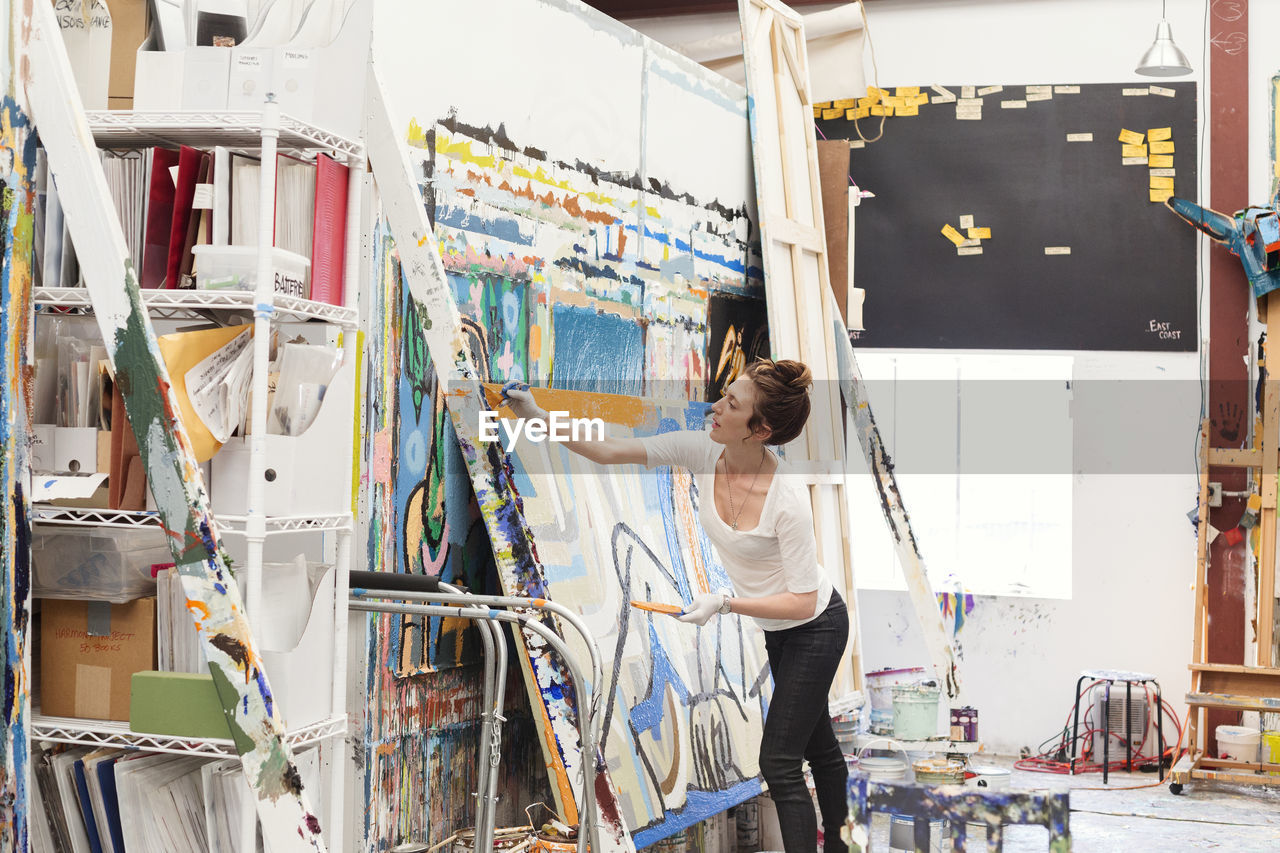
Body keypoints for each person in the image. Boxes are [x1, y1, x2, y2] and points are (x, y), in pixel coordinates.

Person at [502, 359, 850, 853]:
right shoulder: (704, 450)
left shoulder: (786, 498)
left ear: (761, 430)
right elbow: (605, 451)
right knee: (818, 747)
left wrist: (726, 603)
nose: (716, 406)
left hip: (815, 625)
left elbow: (803, 599)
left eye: (732, 404)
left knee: (779, 762)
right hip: (779, 627)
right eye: (724, 395)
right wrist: (536, 414)